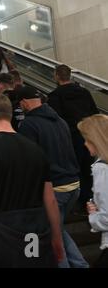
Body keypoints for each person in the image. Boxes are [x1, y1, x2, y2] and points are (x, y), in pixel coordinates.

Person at [0, 93, 64, 268]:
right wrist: (57, 238)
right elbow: (50, 200)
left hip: (5, 232)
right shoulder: (36, 149)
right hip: (37, 229)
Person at [17, 86, 89, 268]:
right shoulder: (60, 121)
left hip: (54, 188)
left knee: (52, 236)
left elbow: (30, 162)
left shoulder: (28, 125)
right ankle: (81, 265)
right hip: (73, 184)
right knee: (58, 230)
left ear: (24, 103)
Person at [48, 64, 99, 212]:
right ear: (70, 75)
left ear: (57, 76)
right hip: (88, 136)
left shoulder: (55, 97)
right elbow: (94, 112)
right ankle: (91, 200)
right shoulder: (84, 92)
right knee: (89, 168)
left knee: (74, 169)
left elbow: (56, 121)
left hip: (69, 138)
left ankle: (80, 203)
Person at [78, 115, 108, 268]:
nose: (85, 143)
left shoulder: (101, 168)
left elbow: (106, 218)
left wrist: (94, 216)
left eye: (87, 139)